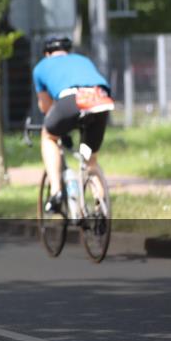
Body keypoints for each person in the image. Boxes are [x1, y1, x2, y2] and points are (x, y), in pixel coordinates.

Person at [32, 36, 114, 213]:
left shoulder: (40, 67)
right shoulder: (83, 60)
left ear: (47, 53)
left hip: (71, 100)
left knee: (48, 136)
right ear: (67, 51)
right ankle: (101, 209)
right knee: (90, 160)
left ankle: (56, 191)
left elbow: (46, 107)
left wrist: (59, 125)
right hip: (100, 100)